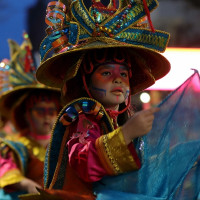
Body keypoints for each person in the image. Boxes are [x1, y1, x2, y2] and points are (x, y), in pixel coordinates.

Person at [19, 0, 172, 200]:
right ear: (86, 82)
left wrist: (175, 158)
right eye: (106, 73)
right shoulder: (84, 114)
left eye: (124, 74)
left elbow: (134, 173)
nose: (118, 79)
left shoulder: (120, 120)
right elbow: (83, 163)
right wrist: (126, 134)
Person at [0, 33, 62, 199]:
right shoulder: (14, 146)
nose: (47, 117)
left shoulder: (66, 143)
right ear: (25, 114)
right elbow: (5, 168)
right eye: (40, 111)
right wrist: (25, 183)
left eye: (51, 111)